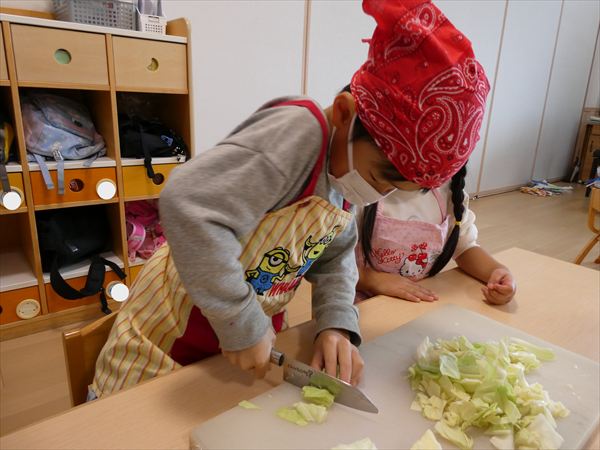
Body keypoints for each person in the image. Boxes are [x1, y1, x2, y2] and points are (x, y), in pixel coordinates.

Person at [91, 0, 490, 399]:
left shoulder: (345, 172)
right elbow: (187, 205)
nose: (377, 196)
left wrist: (336, 324)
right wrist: (242, 322)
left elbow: (335, 256)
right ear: (345, 114)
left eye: (391, 191)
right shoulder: (299, 134)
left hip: (244, 338)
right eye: (376, 179)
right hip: (170, 333)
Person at [355, 164, 517, 305]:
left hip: (415, 302)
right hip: (360, 302)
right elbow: (338, 264)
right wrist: (370, 279)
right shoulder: (360, 189)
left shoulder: (448, 190)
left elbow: (463, 247)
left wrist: (497, 272)